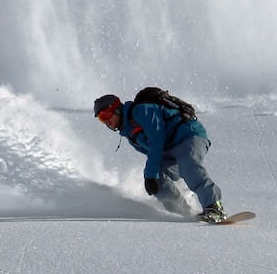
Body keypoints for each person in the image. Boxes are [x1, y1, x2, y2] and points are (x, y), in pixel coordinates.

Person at [93, 93, 226, 223]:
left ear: (116, 109)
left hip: (188, 136)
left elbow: (156, 139)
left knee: (188, 167)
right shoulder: (129, 134)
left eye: (105, 115)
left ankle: (214, 207)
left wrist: (150, 173)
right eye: (101, 119)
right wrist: (151, 176)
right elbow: (153, 154)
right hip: (168, 151)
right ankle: (183, 212)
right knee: (157, 181)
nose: (106, 122)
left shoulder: (142, 111)